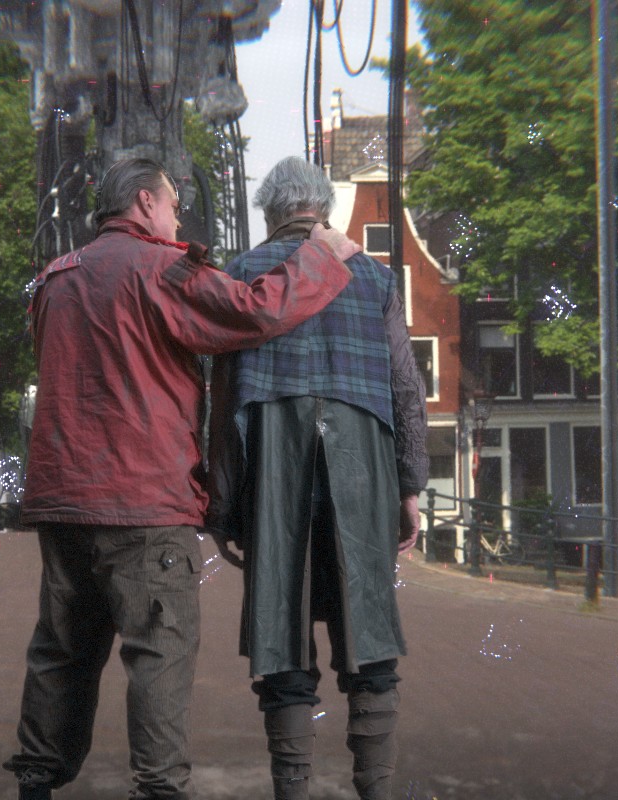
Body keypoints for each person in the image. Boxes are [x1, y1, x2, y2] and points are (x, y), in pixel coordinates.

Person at [5, 157, 365, 800]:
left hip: (64, 501)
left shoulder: (54, 278)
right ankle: (161, 788)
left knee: (61, 650)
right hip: (145, 501)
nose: (178, 220)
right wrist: (322, 256)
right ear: (145, 202)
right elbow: (252, 312)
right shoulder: (161, 269)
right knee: (159, 655)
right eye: (173, 206)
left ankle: (36, 780)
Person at [205, 157, 429, 800]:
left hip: (272, 465)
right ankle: (375, 788)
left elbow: (221, 404)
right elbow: (405, 389)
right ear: (322, 209)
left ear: (270, 212)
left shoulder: (240, 275)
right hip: (364, 465)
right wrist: (409, 486)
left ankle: (294, 789)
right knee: (369, 629)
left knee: (282, 631)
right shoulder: (375, 277)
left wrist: (223, 507)